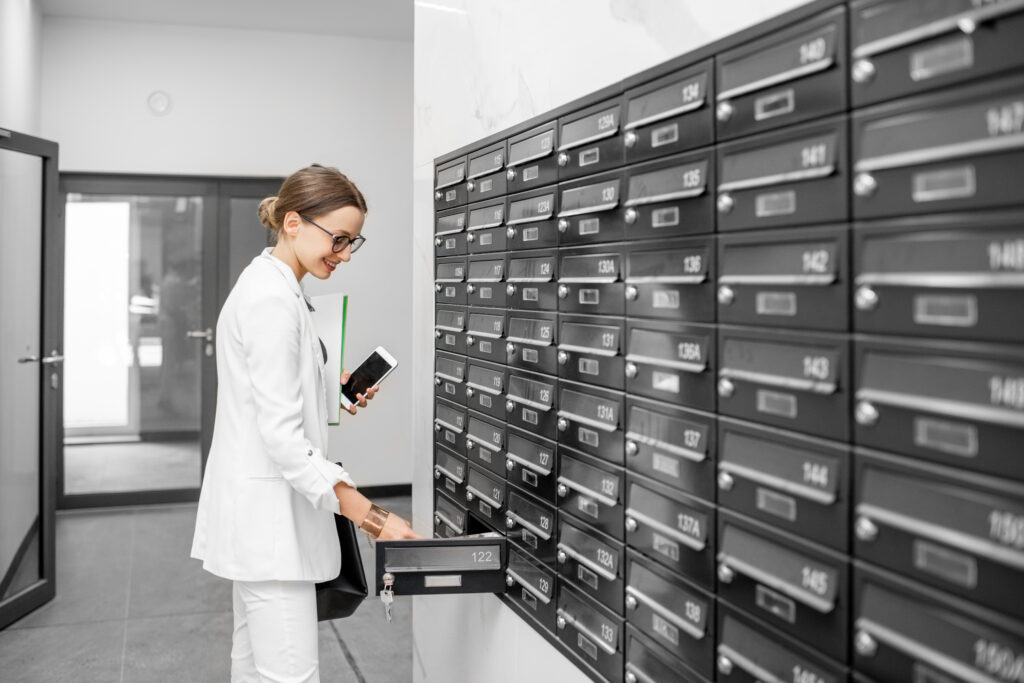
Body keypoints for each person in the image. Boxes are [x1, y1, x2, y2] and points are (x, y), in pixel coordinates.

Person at [190, 164, 419, 683]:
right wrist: (375, 520)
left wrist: (328, 385)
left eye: (352, 244)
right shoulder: (272, 300)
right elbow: (282, 438)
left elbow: (270, 390)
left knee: (253, 668)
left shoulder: (275, 286)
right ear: (293, 222)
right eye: (337, 239)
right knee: (288, 675)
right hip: (271, 530)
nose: (341, 255)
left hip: (262, 524)